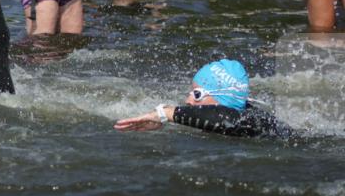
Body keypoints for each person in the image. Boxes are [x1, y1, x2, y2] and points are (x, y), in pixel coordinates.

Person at [114, 59, 292, 138]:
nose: (188, 101)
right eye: (191, 92)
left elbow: (224, 118)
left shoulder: (254, 122)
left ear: (225, 98)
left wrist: (165, 114)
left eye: (197, 95)